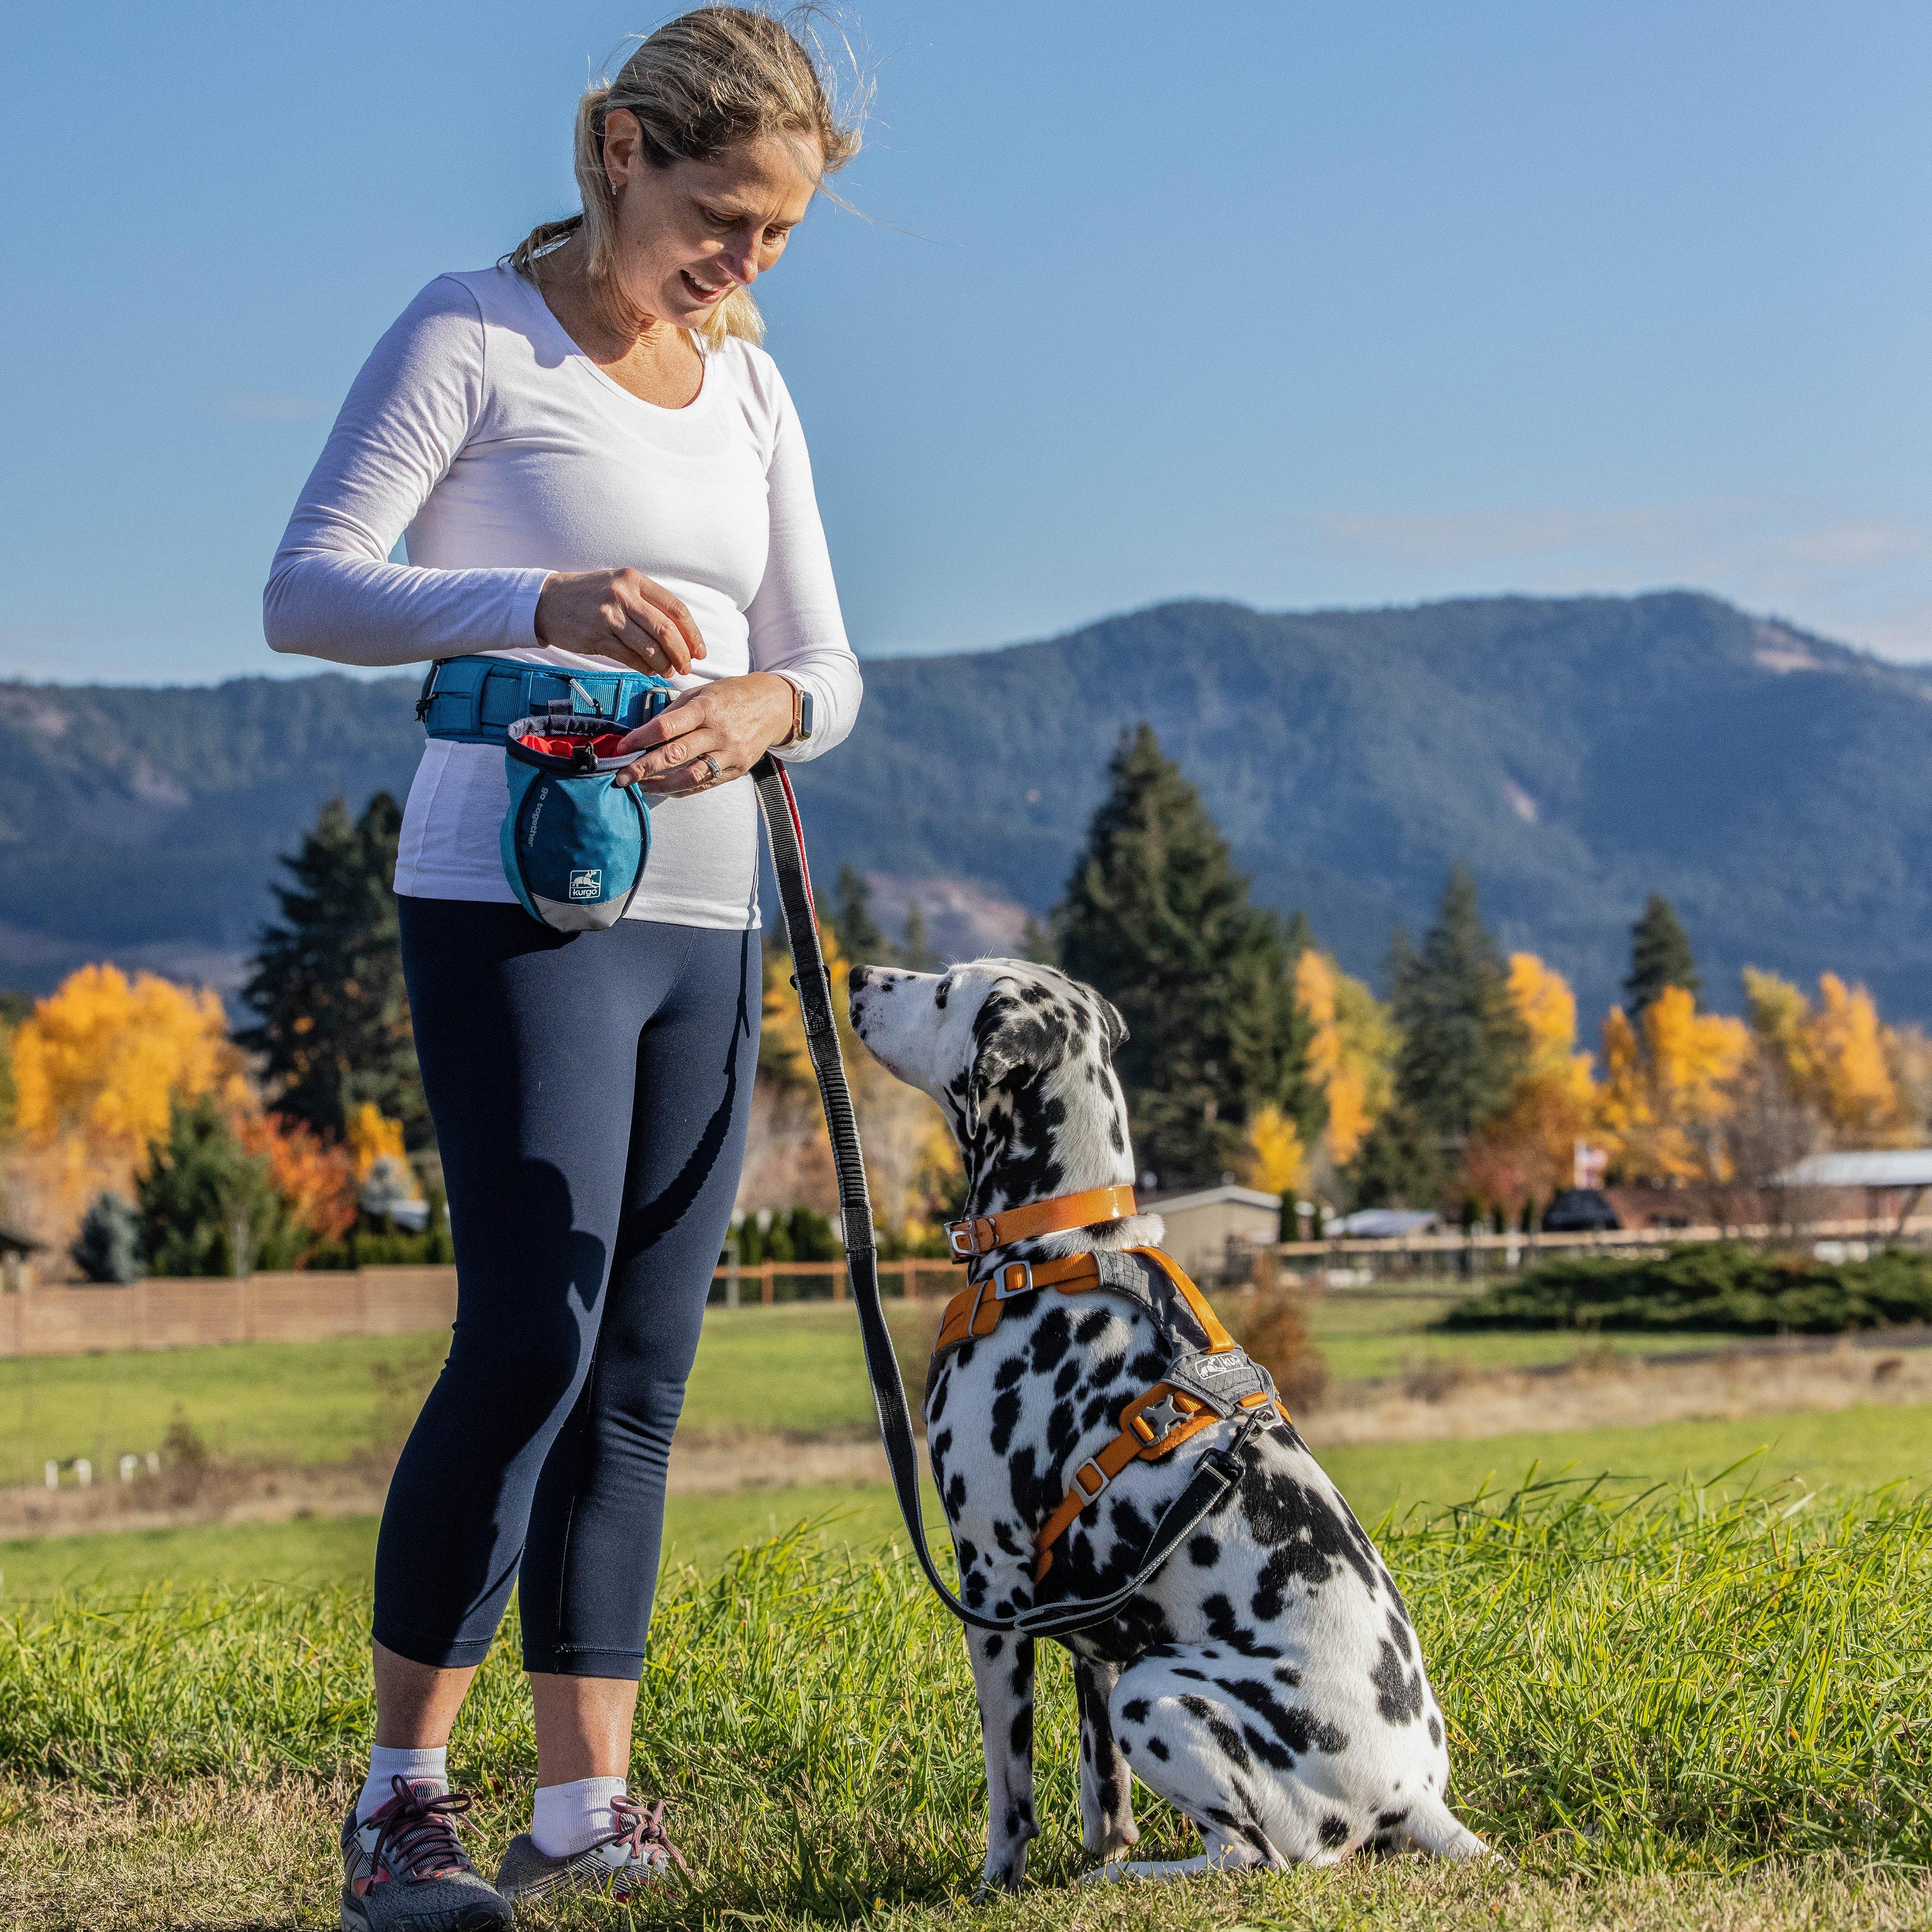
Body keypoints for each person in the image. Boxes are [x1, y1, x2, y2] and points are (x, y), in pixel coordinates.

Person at [263, 9, 863, 1923]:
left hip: (712, 911)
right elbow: (309, 585)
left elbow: (827, 670)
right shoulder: (473, 334)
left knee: (644, 1366)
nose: (745, 261)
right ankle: (398, 1805)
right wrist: (535, 597)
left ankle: (586, 1809)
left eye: (777, 232)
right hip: (513, 895)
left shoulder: (752, 392)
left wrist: (771, 700)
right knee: (528, 1335)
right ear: (617, 148)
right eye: (721, 211)